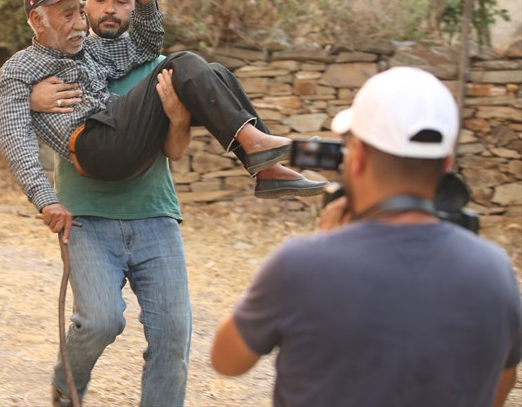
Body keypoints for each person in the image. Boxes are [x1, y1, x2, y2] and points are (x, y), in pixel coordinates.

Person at [210, 67, 521, 407]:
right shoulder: (495, 271)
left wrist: (325, 248)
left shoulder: (301, 264)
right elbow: (498, 390)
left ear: (356, 156)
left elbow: (226, 360)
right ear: (446, 164)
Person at [0, 0, 195, 406]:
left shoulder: (138, 60)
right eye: (96, 2)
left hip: (154, 212)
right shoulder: (50, 62)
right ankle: (68, 382)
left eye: (122, 0)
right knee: (99, 321)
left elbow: (175, 150)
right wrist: (30, 98)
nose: (101, 12)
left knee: (174, 334)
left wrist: (178, 119)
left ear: (135, 7)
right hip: (88, 216)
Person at [0, 0, 326, 240]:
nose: (79, 23)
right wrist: (46, 202)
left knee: (217, 72)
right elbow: (15, 142)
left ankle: (268, 170)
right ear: (37, 21)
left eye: (79, 13)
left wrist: (147, 1)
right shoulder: (19, 69)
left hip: (122, 136)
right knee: (183, 62)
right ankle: (257, 146)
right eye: (67, 16)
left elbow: (147, 46)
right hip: (95, 146)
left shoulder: (89, 49)